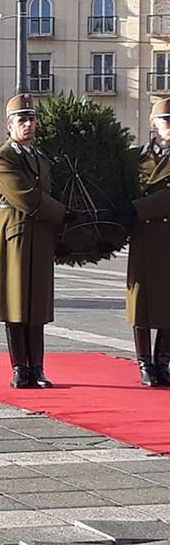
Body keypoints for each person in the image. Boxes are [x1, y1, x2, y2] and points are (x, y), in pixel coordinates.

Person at [0, 94, 66, 389]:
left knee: (37, 305)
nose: (28, 125)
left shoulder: (41, 158)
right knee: (17, 304)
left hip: (39, 236)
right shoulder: (3, 157)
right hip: (15, 236)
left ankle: (38, 368)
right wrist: (62, 213)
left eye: (31, 120)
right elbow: (26, 197)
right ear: (9, 126)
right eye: (22, 120)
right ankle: (20, 367)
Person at [125, 98, 170, 387]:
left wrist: (135, 208)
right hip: (143, 237)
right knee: (140, 301)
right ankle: (144, 362)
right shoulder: (135, 159)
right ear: (153, 124)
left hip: (168, 236)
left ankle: (163, 360)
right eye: (166, 120)